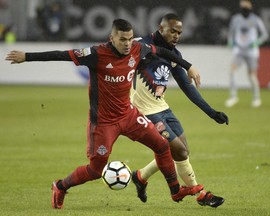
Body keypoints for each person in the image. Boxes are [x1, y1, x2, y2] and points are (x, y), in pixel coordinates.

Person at [5, 19, 205, 209]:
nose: (128, 44)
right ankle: (60, 186)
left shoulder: (138, 49)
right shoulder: (95, 54)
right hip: (103, 123)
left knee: (162, 145)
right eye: (122, 40)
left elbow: (162, 51)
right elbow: (61, 54)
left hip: (129, 115)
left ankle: (175, 191)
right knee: (95, 170)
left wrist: (188, 66)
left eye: (130, 38)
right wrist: (27, 57)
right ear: (112, 38)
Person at [130, 13, 229, 208]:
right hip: (144, 111)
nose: (176, 36)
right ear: (161, 29)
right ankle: (201, 195)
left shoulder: (175, 55)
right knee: (180, 152)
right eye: (172, 31)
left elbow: (187, 87)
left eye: (179, 33)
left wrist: (211, 112)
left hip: (162, 107)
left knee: (182, 151)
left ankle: (140, 177)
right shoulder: (140, 45)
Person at [225, 0, 269, 108]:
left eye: (247, 9)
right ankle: (233, 96)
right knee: (232, 71)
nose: (245, 11)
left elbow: (265, 34)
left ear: (250, 9)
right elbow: (230, 33)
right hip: (239, 50)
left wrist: (257, 42)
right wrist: (230, 42)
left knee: (252, 75)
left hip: (251, 51)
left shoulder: (255, 20)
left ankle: (256, 98)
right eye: (243, 9)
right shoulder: (236, 19)